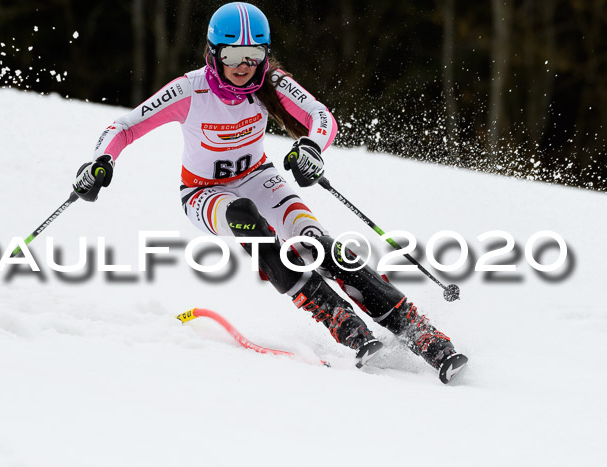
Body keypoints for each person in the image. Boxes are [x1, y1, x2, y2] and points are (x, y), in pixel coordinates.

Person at [72, 2, 468, 383]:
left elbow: (321, 118)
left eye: (254, 55)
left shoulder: (273, 83)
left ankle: (423, 334)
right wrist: (100, 162)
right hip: (202, 193)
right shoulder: (189, 91)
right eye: (232, 56)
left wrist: (311, 147)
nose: (244, 67)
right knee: (247, 219)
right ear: (213, 54)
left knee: (319, 245)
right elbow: (123, 127)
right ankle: (339, 319)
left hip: (260, 177)